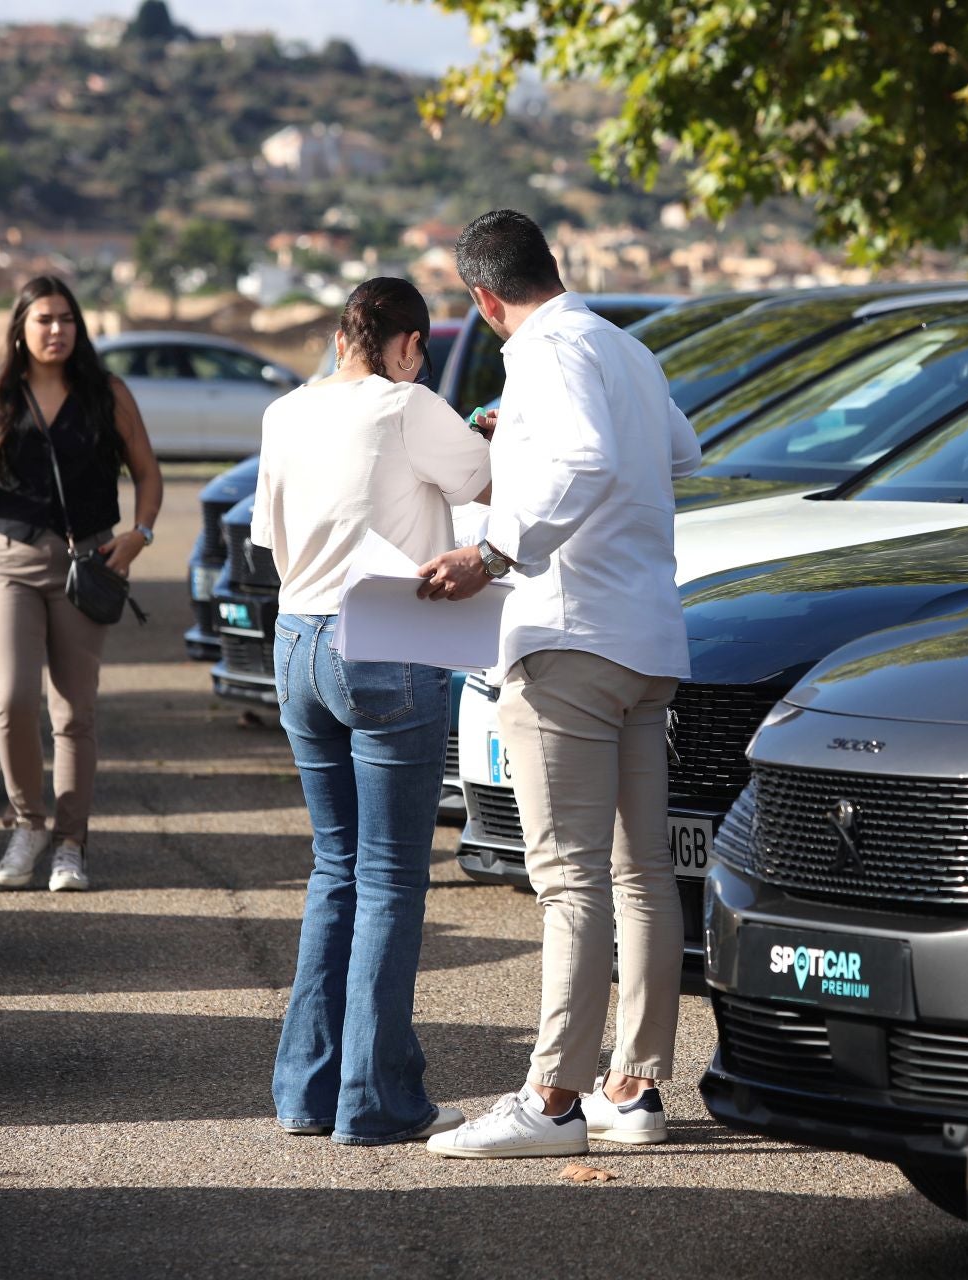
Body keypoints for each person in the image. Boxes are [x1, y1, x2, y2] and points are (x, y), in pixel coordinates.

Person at [418, 209, 700, 1158]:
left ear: (485, 300)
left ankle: (552, 1100)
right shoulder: (627, 348)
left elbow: (584, 457)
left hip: (569, 635)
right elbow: (678, 453)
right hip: (647, 637)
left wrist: (496, 549)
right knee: (640, 872)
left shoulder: (537, 353)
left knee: (569, 880)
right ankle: (635, 1087)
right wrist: (523, 445)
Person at [253, 277, 491, 1145]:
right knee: (392, 879)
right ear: (407, 343)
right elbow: (483, 478)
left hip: (298, 641)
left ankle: (307, 1093)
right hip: (385, 638)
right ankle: (378, 1100)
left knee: (334, 869)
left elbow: (268, 538)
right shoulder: (408, 404)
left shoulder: (286, 412)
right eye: (418, 347)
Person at [0, 275, 163, 893]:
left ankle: (71, 843)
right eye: (43, 319)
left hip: (87, 562)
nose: (55, 330)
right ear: (20, 326)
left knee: (73, 710)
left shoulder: (108, 393)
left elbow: (149, 477)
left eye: (66, 319)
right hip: (9, 560)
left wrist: (139, 536)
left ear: (80, 327)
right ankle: (28, 824)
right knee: (12, 701)